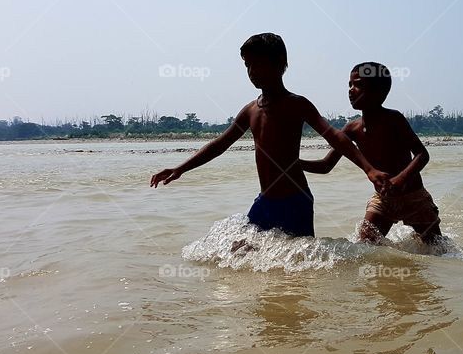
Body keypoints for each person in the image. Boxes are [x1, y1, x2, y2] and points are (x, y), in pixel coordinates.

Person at [150, 33, 389, 237]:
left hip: (295, 200)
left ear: (279, 64)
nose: (252, 71)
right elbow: (220, 144)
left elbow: (334, 136)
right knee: (238, 250)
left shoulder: (296, 104)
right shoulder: (250, 110)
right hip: (265, 200)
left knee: (299, 267)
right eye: (247, 65)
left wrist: (369, 169)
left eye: (258, 64)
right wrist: (180, 168)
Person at [300, 62, 442, 245]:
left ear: (379, 92)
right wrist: (291, 162)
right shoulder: (352, 128)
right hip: (383, 199)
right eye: (349, 85)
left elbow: (422, 154)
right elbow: (325, 165)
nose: (351, 90)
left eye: (358, 85)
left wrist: (401, 178)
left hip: (414, 197)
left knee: (438, 250)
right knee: (365, 248)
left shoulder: (393, 120)